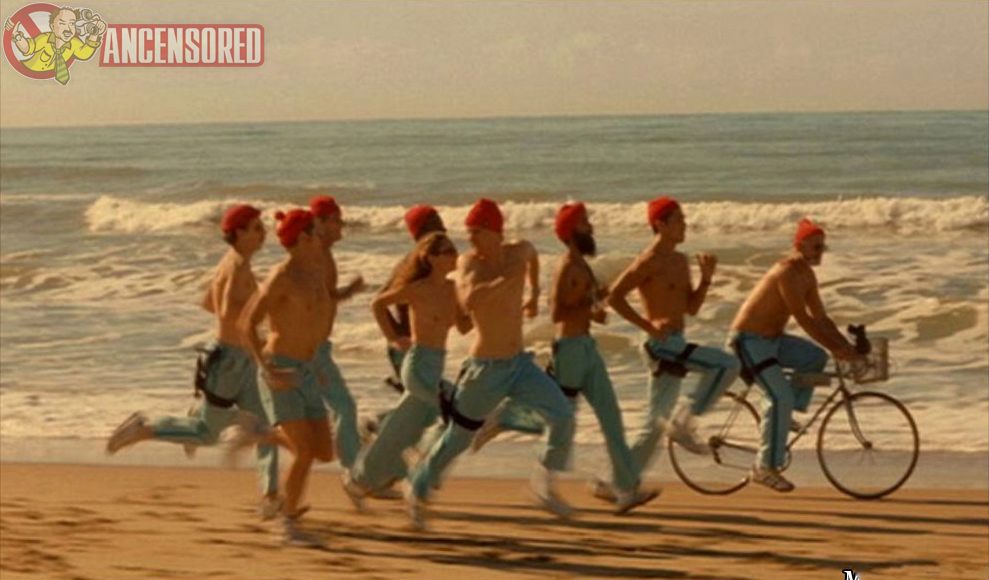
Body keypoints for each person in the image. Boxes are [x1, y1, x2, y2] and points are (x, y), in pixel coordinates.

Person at [405, 198, 576, 530]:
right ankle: (416, 488)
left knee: (563, 416)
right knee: (457, 438)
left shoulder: (518, 252)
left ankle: (542, 485)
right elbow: (469, 300)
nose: (469, 239)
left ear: (496, 232)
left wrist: (534, 292)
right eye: (468, 232)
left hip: (519, 364)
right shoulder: (470, 263)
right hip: (485, 369)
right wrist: (506, 281)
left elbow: (532, 255)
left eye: (476, 232)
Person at [105, 204, 282, 519]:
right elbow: (225, 310)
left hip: (241, 358)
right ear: (239, 233)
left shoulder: (237, 263)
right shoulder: (236, 267)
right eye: (256, 228)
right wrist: (254, 326)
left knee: (265, 426)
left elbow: (207, 302)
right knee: (207, 434)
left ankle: (271, 496)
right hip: (228, 362)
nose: (263, 233)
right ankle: (144, 429)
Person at [605, 197, 740, 495]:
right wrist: (648, 326)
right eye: (678, 220)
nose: (685, 225)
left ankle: (616, 483)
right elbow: (614, 296)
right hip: (661, 345)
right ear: (661, 225)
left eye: (684, 219)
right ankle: (685, 420)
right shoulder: (649, 260)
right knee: (728, 364)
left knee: (655, 425)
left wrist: (706, 280)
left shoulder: (680, 261)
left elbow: (691, 308)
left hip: (676, 341)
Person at [729, 218, 861, 492]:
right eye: (815, 247)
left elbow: (821, 318)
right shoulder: (787, 272)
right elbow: (803, 319)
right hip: (749, 341)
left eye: (823, 247)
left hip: (774, 340)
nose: (820, 253)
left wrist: (844, 346)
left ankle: (784, 412)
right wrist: (836, 348)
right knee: (780, 396)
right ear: (799, 246)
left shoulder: (808, 276)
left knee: (815, 358)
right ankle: (764, 468)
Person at [344, 232, 472, 509]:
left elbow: (464, 327)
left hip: (436, 366)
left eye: (454, 250)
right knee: (448, 413)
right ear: (431, 258)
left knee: (403, 427)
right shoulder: (418, 289)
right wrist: (393, 338)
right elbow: (378, 304)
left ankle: (362, 480)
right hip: (417, 365)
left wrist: (488, 303)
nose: (454, 255)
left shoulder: (454, 289)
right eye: (447, 251)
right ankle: (419, 470)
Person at [547, 202, 659, 513]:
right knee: (561, 422)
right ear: (571, 231)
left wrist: (599, 301)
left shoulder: (582, 266)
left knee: (612, 418)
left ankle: (626, 489)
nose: (591, 227)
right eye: (585, 223)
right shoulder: (566, 267)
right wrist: (588, 306)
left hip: (586, 348)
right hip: (569, 351)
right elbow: (556, 312)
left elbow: (586, 303)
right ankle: (540, 479)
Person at [240, 208, 334, 546]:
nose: (322, 235)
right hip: (280, 368)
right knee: (304, 452)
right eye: (316, 231)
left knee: (325, 451)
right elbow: (247, 323)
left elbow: (315, 324)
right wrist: (266, 370)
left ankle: (263, 434)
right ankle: (287, 523)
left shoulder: (317, 270)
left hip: (307, 370)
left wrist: (318, 366)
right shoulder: (282, 276)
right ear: (303, 238)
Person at [307, 196, 367, 474]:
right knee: (344, 407)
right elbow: (306, 304)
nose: (342, 225)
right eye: (336, 220)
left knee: (303, 416)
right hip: (312, 349)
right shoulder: (315, 256)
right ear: (319, 223)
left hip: (316, 347)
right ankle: (354, 472)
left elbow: (325, 297)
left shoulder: (322, 254)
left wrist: (348, 292)